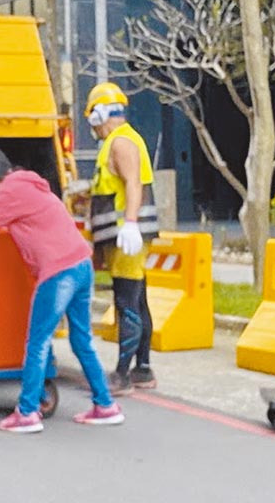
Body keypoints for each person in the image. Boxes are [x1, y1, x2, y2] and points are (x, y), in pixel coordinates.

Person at [0, 146, 124, 434]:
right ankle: (105, 405)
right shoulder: (30, 185)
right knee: (81, 340)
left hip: (59, 272)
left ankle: (27, 413)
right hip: (80, 266)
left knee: (37, 341)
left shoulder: (11, 191)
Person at [84, 82, 159, 395]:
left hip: (127, 236)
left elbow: (133, 183)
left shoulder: (121, 143)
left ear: (99, 114)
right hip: (121, 236)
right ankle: (142, 369)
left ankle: (122, 374)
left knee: (126, 302)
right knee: (137, 300)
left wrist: (130, 223)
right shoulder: (118, 141)